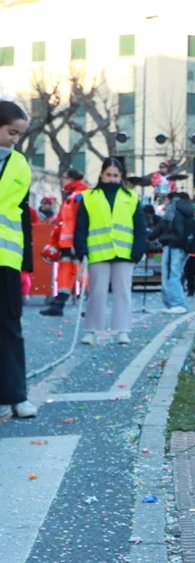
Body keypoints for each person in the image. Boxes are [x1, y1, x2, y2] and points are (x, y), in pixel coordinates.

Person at [74, 158, 146, 346]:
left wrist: (137, 251)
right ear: (101, 175)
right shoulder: (89, 197)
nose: (112, 179)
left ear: (121, 176)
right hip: (98, 252)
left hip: (124, 252)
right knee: (96, 292)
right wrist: (81, 248)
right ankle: (91, 330)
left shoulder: (131, 197)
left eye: (116, 175)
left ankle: (123, 330)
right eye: (109, 175)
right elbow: (81, 225)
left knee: (123, 292)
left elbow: (140, 226)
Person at [0, 101, 36, 420]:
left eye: (20, 135)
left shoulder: (20, 164)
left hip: (6, 260)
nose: (15, 140)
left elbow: (23, 216)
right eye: (12, 132)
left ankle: (16, 396)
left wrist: (27, 264)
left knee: (10, 327)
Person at [41, 169, 87, 316]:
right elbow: (62, 221)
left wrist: (76, 242)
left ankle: (87, 304)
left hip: (73, 243)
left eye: (64, 177)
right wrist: (54, 242)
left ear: (71, 178)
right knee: (67, 272)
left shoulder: (79, 196)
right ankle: (59, 303)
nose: (62, 180)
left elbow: (79, 221)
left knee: (77, 272)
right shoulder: (72, 195)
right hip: (67, 243)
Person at [146, 191, 195, 314]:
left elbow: (163, 225)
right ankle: (175, 303)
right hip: (184, 247)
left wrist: (150, 238)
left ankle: (177, 304)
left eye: (166, 201)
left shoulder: (173, 209)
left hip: (173, 245)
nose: (165, 204)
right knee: (176, 273)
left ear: (171, 199)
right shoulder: (187, 210)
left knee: (170, 275)